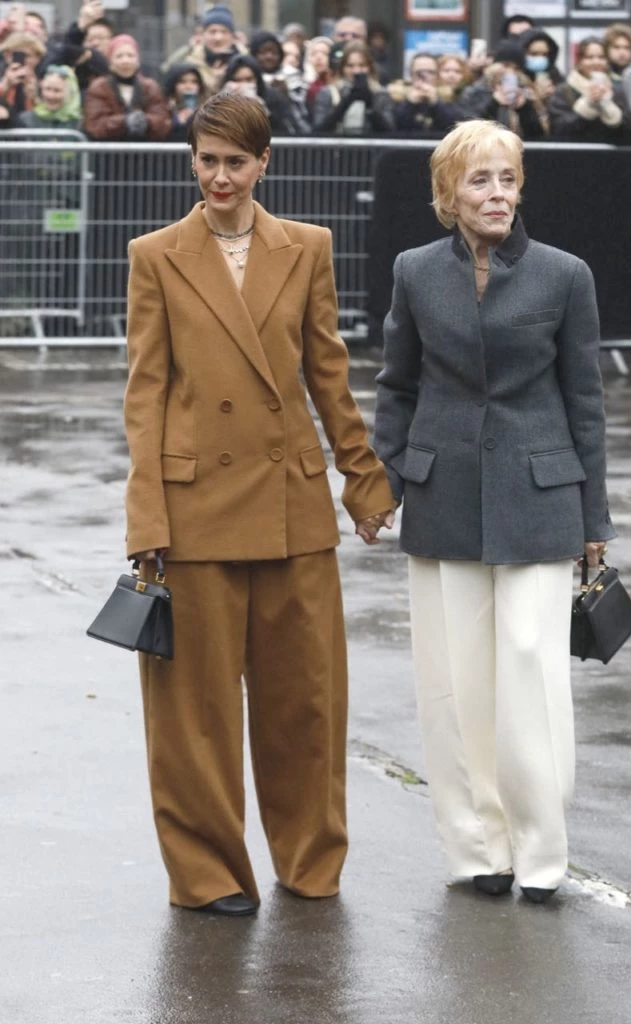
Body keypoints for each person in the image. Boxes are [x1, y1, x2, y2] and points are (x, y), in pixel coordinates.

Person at [123, 92, 394, 917]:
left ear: (263, 163)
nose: (218, 176)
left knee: (305, 699)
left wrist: (363, 477)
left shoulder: (306, 247)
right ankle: (206, 874)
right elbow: (145, 394)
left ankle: (310, 860)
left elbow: (328, 373)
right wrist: (146, 521)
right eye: (205, 159)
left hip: (291, 503)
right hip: (193, 504)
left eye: (234, 162)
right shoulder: (155, 255)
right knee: (193, 713)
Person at [373, 119, 615, 905]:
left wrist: (594, 520)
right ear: (448, 193)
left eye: (507, 178)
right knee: (453, 684)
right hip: (442, 495)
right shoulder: (414, 272)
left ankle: (542, 855)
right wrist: (383, 480)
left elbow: (586, 402)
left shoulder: (563, 275)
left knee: (528, 672)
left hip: (540, 499)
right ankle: (478, 851)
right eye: (480, 180)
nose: (497, 194)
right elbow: (396, 383)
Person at [83, 34, 170, 141]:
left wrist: (146, 121)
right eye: (119, 56)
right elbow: (94, 125)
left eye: (130, 55)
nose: (125, 61)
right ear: (110, 61)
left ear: (137, 60)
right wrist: (124, 122)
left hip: (145, 152)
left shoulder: (151, 87)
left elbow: (163, 122)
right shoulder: (99, 87)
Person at [459, 41, 549, 139]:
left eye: (516, 68)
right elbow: (469, 127)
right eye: (506, 65)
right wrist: (494, 103)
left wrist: (524, 108)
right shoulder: (476, 91)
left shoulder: (528, 92)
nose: (510, 71)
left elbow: (539, 135)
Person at [549, 37, 631, 141]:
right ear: (579, 61)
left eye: (601, 57)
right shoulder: (564, 91)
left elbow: (629, 130)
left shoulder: (618, 89)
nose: (596, 62)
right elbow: (559, 129)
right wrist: (588, 105)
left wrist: (607, 105)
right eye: (589, 57)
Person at [313, 41, 393, 135]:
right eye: (350, 66)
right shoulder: (327, 93)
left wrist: (370, 105)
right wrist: (346, 102)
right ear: (342, 68)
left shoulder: (380, 94)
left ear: (370, 67)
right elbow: (319, 129)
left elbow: (389, 130)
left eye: (362, 65)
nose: (356, 71)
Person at [222, 53, 307, 134]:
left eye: (249, 79)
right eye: (238, 80)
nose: (244, 85)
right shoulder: (222, 101)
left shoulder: (273, 97)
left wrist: (264, 111)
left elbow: (289, 128)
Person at [388, 52, 463, 134]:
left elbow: (455, 126)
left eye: (430, 72)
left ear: (437, 75)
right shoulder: (396, 95)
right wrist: (409, 104)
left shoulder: (449, 97)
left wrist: (436, 103)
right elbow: (391, 126)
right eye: (419, 73)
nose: (425, 77)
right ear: (411, 74)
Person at [18, 63, 82, 130]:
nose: (51, 96)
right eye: (47, 89)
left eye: (57, 90)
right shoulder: (26, 121)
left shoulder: (79, 124)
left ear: (70, 94)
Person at [0, 30, 44, 126]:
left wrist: (34, 97)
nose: (24, 60)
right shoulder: (3, 76)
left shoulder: (44, 78)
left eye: (28, 56)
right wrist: (5, 86)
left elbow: (48, 114)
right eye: (17, 55)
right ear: (6, 55)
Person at [164, 63, 204, 141]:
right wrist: (178, 123)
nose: (189, 86)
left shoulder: (206, 111)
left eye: (194, 82)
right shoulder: (164, 110)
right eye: (182, 82)